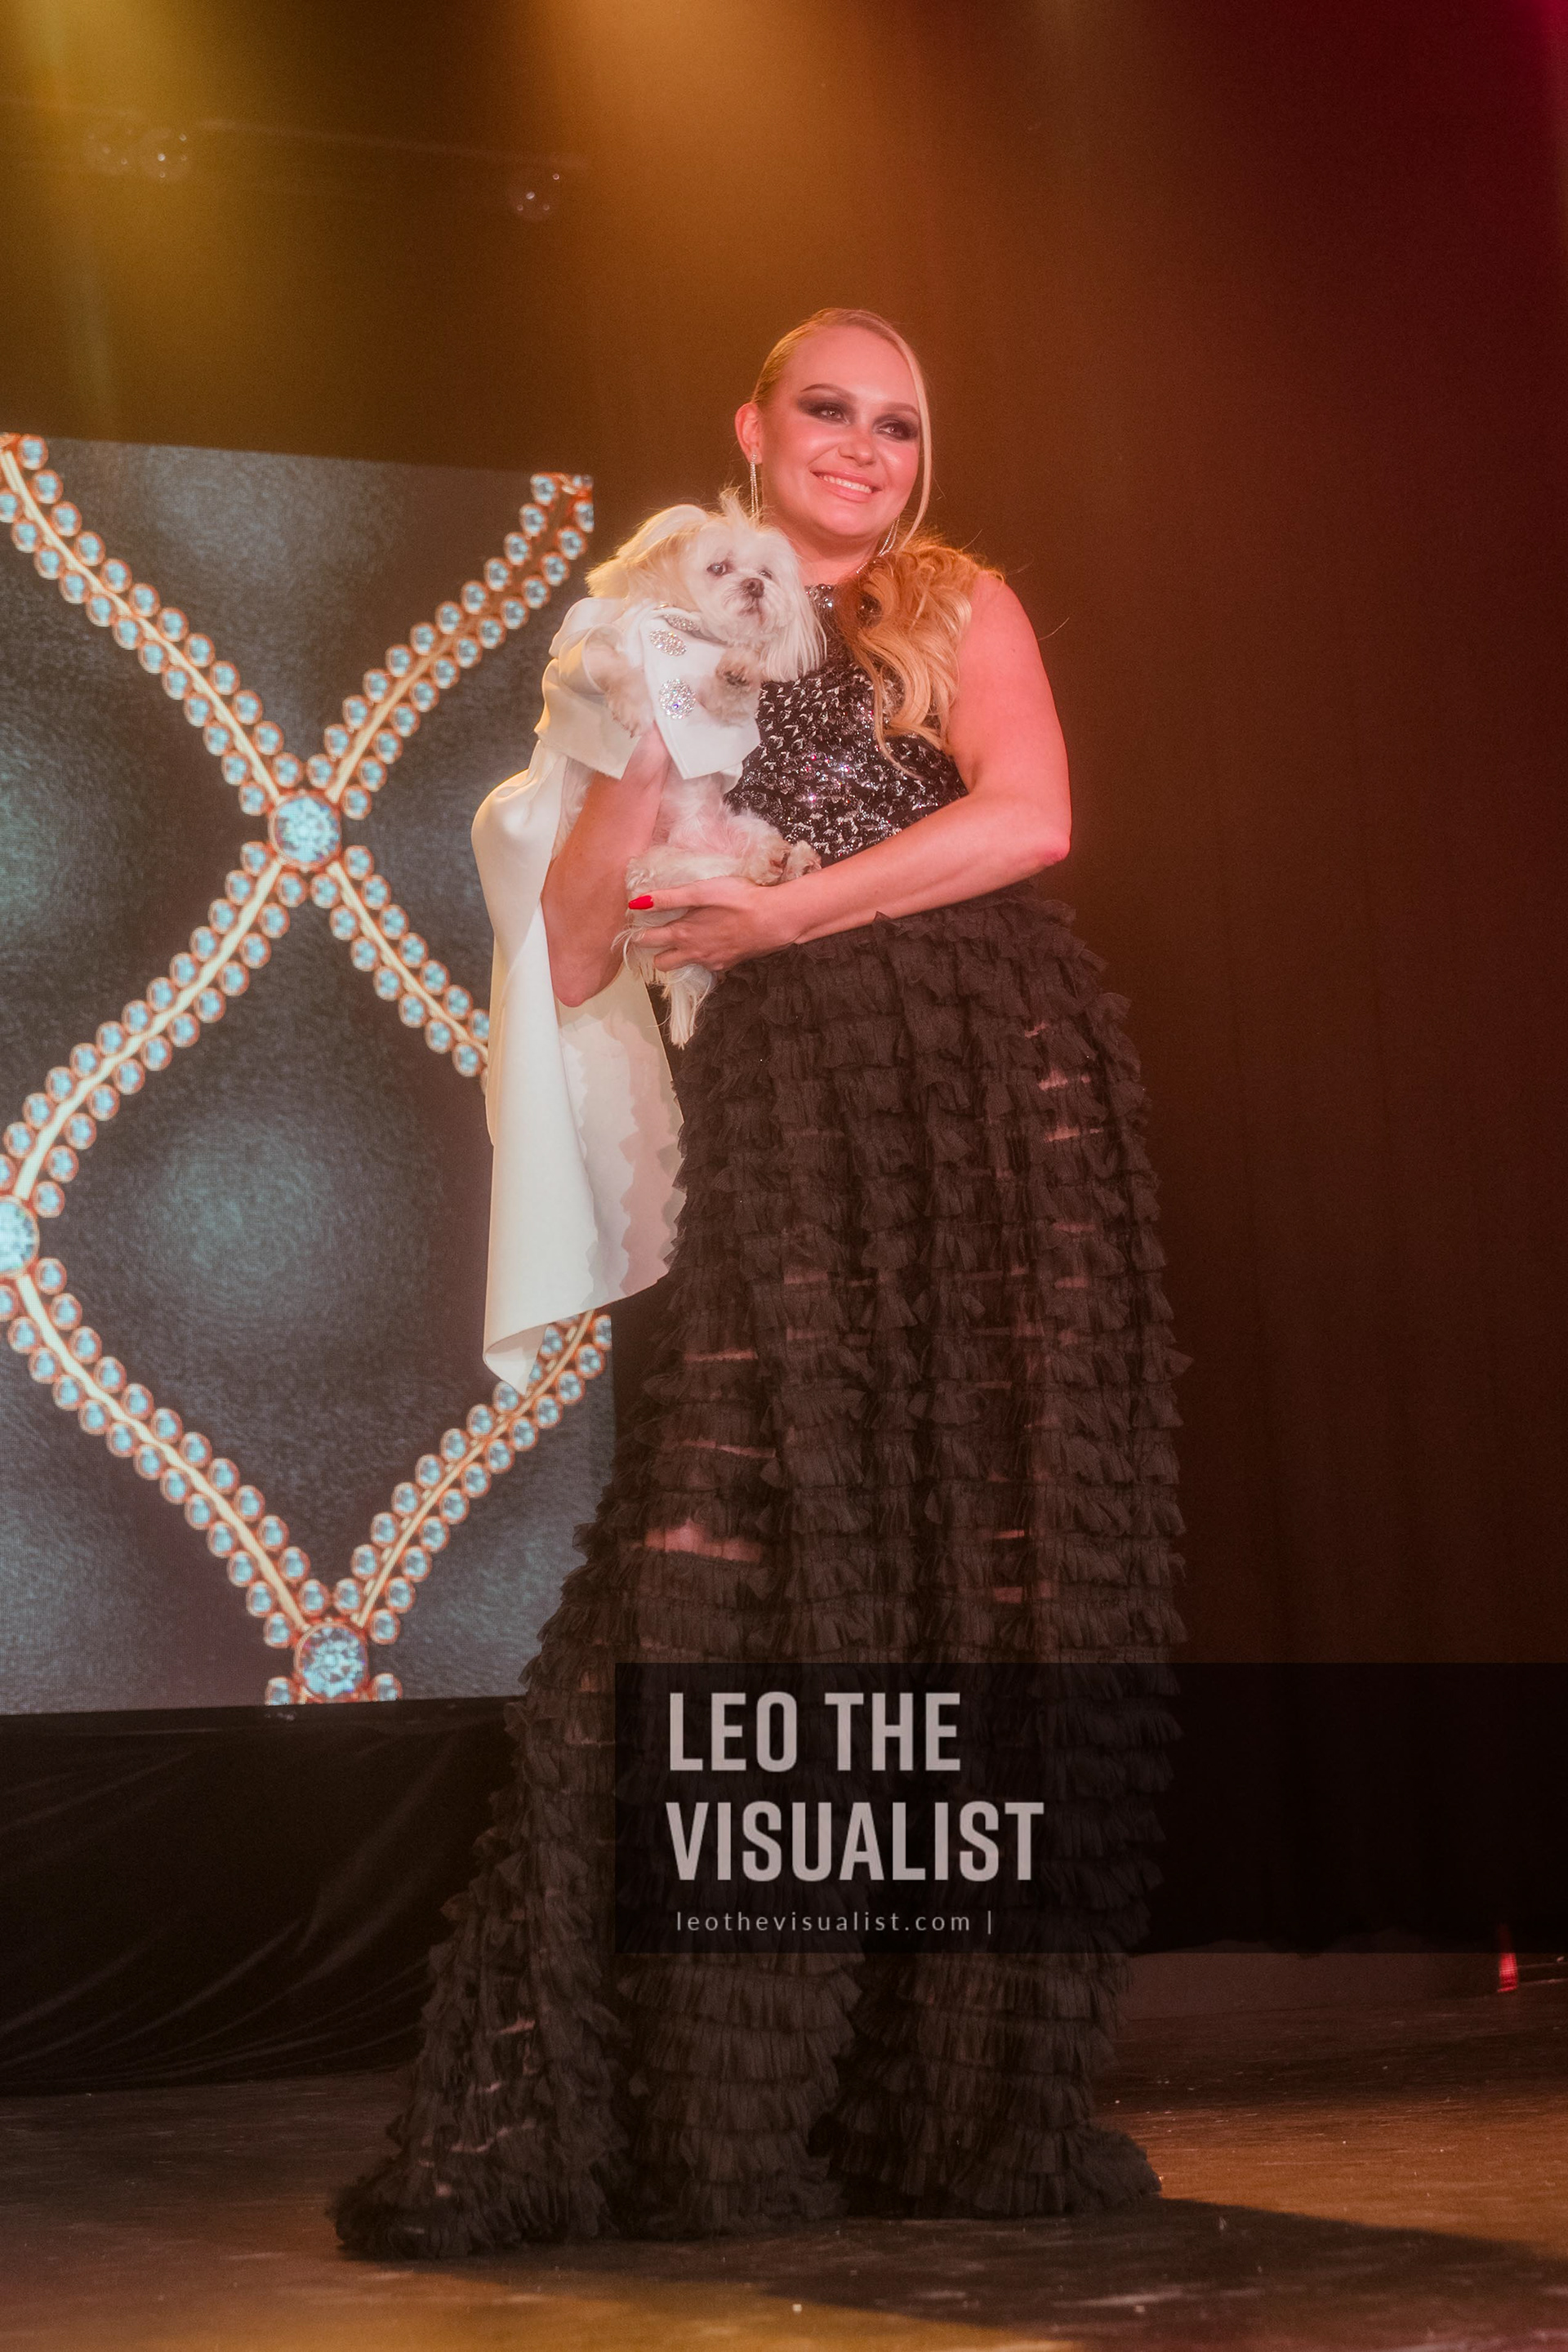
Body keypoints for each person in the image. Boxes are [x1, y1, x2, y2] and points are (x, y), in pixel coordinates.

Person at [334, 306, 1183, 2255]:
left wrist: (792, 912)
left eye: (901, 423)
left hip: (1010, 1083)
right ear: (752, 425)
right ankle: (667, 2110)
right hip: (795, 1103)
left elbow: (1032, 819)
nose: (868, 447)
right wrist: (635, 741)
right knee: (745, 1549)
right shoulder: (643, 627)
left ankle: (967, 2102)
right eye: (831, 409)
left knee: (1008, 1560)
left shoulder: (955, 605)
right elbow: (571, 954)